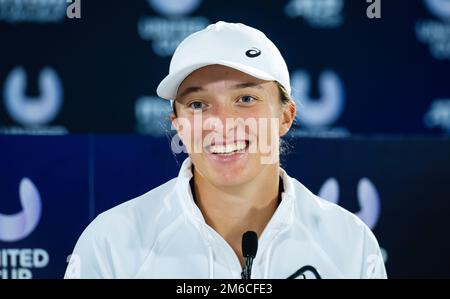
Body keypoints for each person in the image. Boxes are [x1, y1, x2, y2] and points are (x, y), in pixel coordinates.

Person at [65, 21, 387, 279]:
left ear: (285, 117)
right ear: (178, 124)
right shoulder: (112, 242)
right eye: (198, 104)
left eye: (245, 99)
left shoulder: (350, 243)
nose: (222, 123)